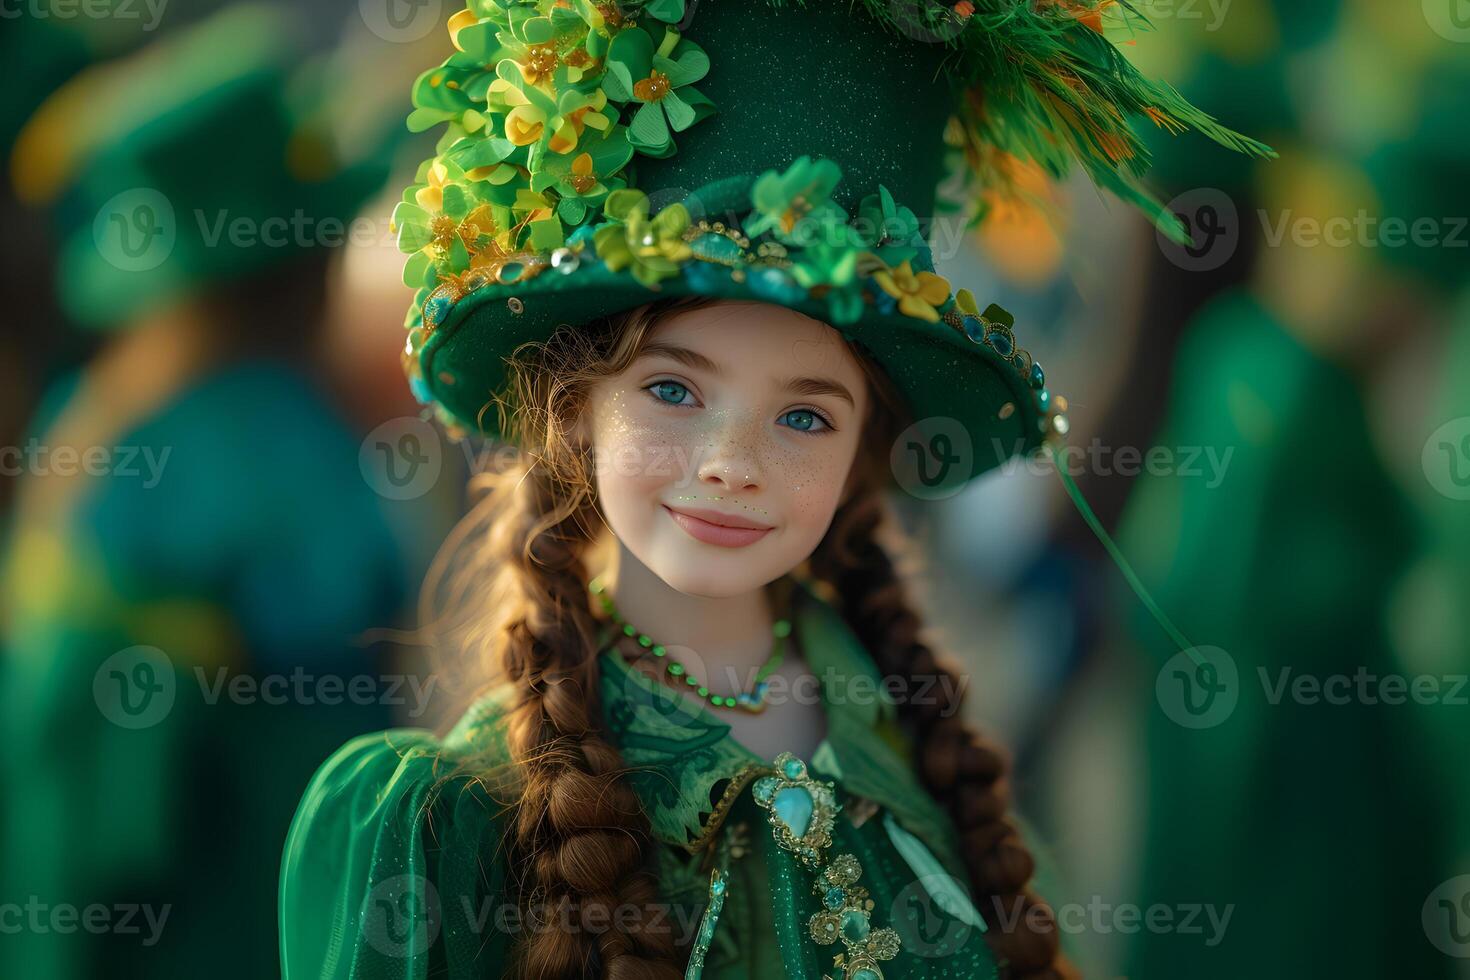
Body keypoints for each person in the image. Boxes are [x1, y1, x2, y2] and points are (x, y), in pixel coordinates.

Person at [278, 0, 1266, 976]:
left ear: (863, 454)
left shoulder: (926, 750)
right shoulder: (454, 819)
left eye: (806, 416)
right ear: (574, 409)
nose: (732, 461)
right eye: (672, 389)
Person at [0, 7, 416, 978]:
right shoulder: (277, 435)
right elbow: (347, 624)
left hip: (77, 863)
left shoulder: (98, 405)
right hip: (237, 866)